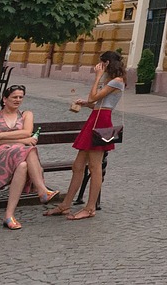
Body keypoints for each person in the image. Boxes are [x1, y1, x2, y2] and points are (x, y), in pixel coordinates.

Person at [47, 50, 125, 220]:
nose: (98, 66)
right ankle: (65, 205)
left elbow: (94, 96)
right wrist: (86, 104)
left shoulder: (117, 81)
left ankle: (90, 208)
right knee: (78, 166)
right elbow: (96, 103)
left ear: (107, 63)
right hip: (96, 117)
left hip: (102, 121)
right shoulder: (111, 81)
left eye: (101, 63)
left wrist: (97, 77)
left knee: (95, 167)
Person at [0, 85, 62, 230]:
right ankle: (42, 190)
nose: (18, 100)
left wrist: (0, 135)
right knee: (28, 149)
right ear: (4, 99)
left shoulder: (26, 114)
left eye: (21, 97)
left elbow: (27, 132)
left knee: (23, 165)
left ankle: (9, 216)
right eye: (14, 97)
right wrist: (19, 139)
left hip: (19, 154)